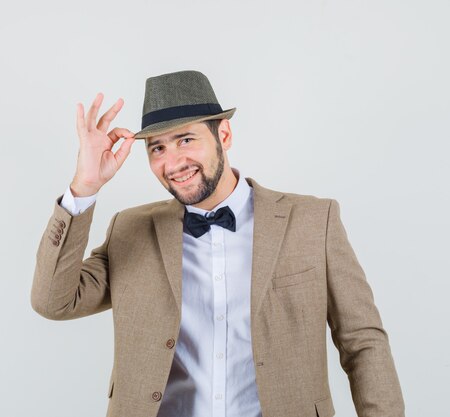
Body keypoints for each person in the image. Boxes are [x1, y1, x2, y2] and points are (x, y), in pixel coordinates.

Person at [31, 70, 405, 417]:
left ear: (223, 136)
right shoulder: (131, 229)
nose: (173, 161)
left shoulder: (312, 221)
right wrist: (84, 189)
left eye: (186, 139)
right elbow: (54, 301)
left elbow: (362, 341)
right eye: (157, 148)